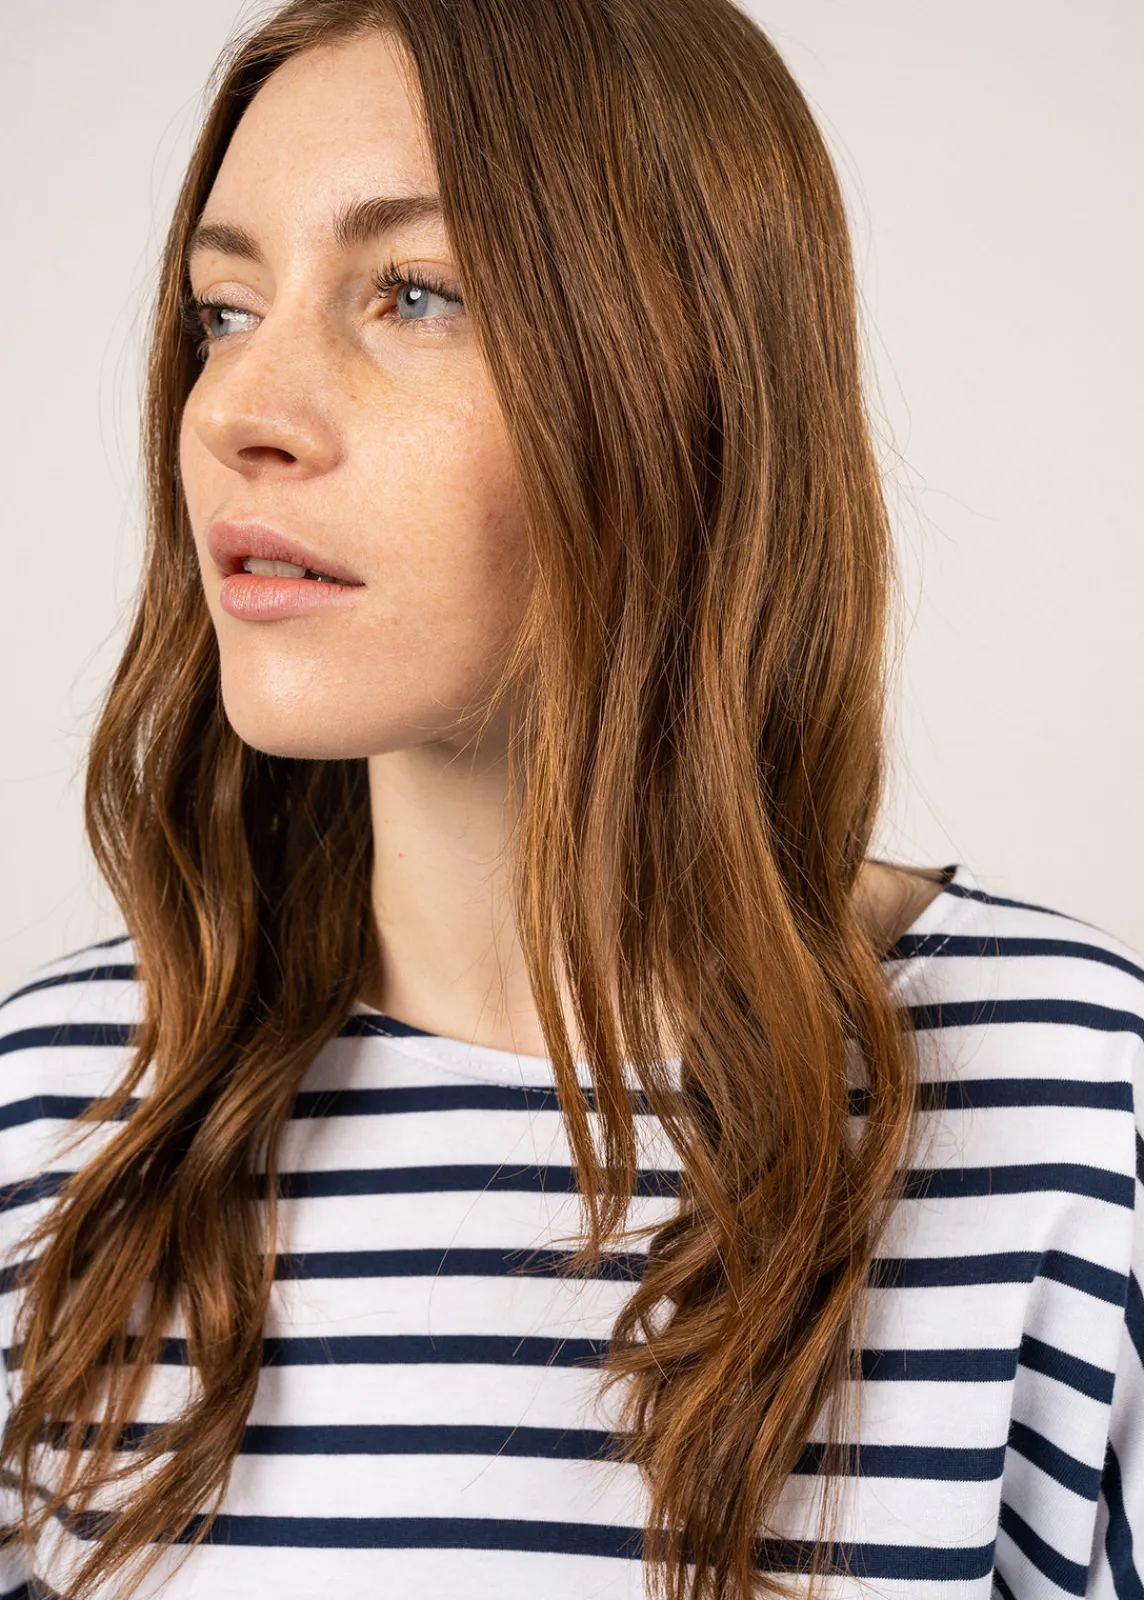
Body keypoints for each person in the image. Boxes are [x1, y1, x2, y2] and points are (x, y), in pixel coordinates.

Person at [0, 2, 1140, 1597]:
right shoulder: (57, 1108)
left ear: (694, 380)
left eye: (415, 293)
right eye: (223, 309)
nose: (240, 411)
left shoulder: (1079, 1108)